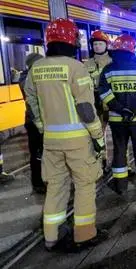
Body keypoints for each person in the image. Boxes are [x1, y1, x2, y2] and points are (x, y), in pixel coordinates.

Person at [24, 18, 107, 251]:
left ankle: (51, 235)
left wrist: (42, 128)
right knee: (84, 185)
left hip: (51, 141)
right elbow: (86, 109)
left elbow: (31, 106)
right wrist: (98, 137)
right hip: (78, 141)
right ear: (73, 41)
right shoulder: (75, 67)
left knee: (56, 186)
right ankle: (85, 234)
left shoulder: (35, 69)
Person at [98, 34, 136, 195]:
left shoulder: (108, 70)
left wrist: (119, 108)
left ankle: (120, 186)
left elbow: (103, 92)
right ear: (132, 50)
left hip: (117, 119)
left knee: (119, 151)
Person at [85, 30, 112, 174]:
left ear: (106, 45)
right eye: (95, 44)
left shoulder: (112, 61)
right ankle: (102, 161)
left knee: (119, 136)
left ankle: (124, 164)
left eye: (100, 43)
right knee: (98, 136)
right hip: (97, 105)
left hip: (113, 104)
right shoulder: (87, 63)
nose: (97, 46)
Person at [19, 53, 45, 194]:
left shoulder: (29, 75)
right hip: (34, 121)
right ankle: (38, 183)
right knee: (37, 153)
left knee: (44, 152)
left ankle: (44, 180)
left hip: (39, 119)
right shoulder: (27, 78)